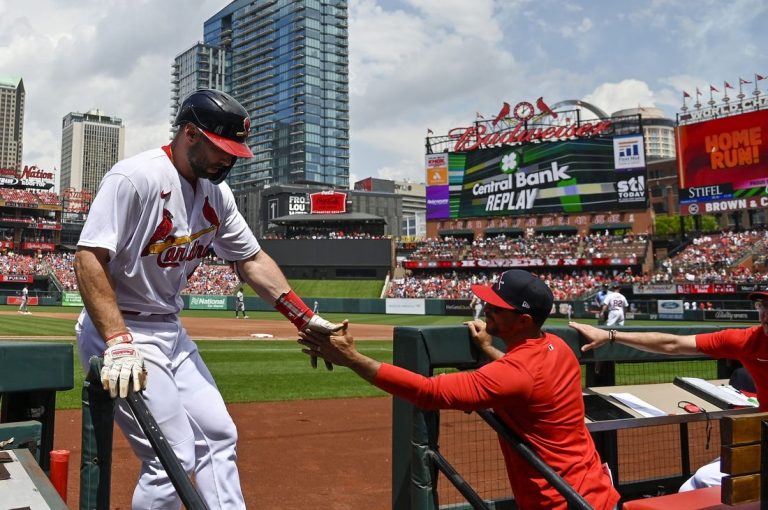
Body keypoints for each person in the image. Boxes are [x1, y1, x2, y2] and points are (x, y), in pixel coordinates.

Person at [73, 89, 342, 510]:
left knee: (219, 436)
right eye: (222, 149)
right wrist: (117, 339)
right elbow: (89, 256)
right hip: (123, 330)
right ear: (190, 134)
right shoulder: (136, 177)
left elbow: (250, 260)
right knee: (171, 459)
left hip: (169, 328)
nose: (229, 161)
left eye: (236, 152)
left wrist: (304, 318)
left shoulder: (217, 195)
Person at [299, 270, 620, 510]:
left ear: (522, 321)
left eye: (496, 306)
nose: (487, 307)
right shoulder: (557, 347)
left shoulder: (516, 373)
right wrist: (487, 347)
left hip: (559, 502)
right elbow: (525, 380)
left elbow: (428, 392)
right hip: (597, 492)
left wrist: (352, 359)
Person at [569, 290, 768, 493]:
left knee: (698, 485)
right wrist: (611, 335)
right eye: (763, 306)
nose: (766, 315)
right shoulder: (748, 340)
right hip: (762, 441)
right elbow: (673, 344)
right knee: (693, 487)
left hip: (761, 443)